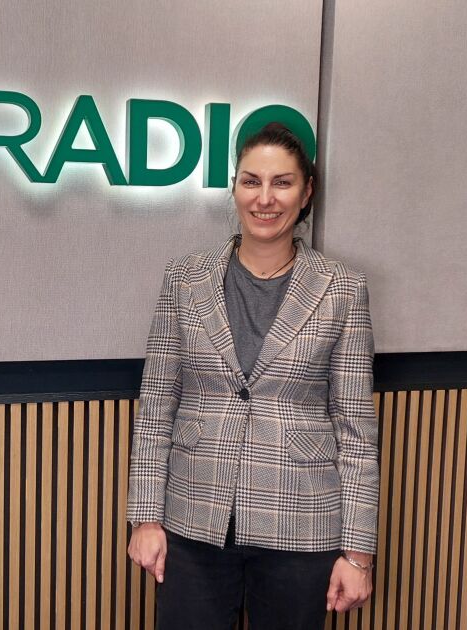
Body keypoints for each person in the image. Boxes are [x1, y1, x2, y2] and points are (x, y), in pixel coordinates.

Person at [126, 122, 379, 630]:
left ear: (306, 192)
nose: (265, 198)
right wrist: (145, 516)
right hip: (193, 518)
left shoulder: (342, 289)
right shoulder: (185, 279)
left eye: (282, 183)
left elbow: (356, 431)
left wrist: (358, 555)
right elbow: (156, 408)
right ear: (235, 187)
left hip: (300, 523)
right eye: (251, 181)